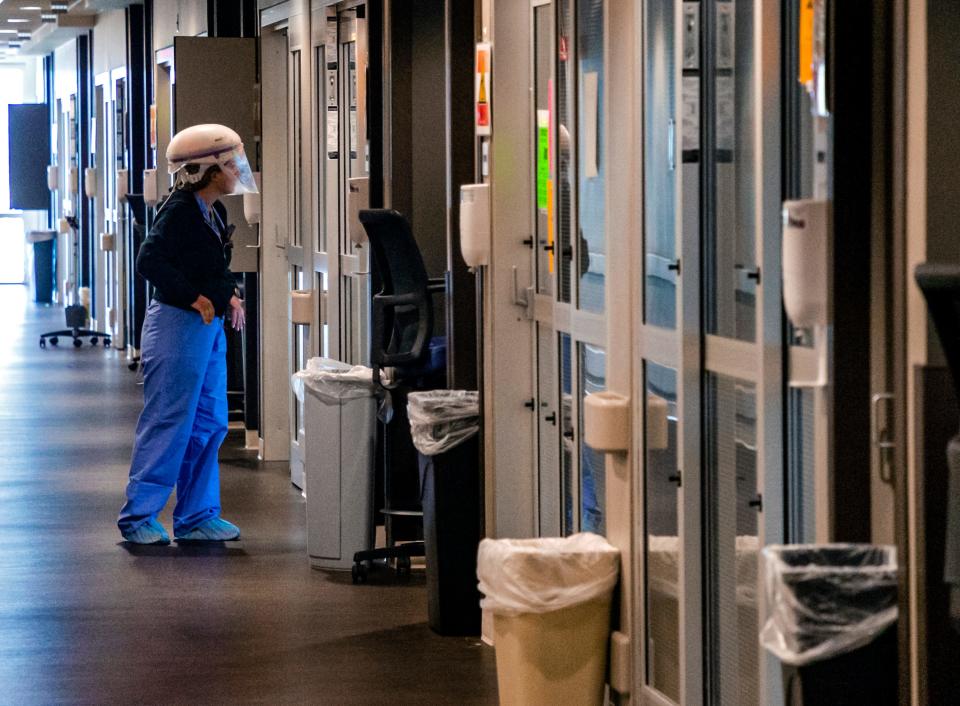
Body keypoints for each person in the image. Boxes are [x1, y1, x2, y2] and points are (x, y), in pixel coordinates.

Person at [117, 123, 258, 545]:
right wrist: (195, 298)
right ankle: (139, 516)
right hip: (178, 327)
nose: (237, 171)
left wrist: (226, 294)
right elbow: (149, 261)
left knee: (209, 423)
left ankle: (196, 516)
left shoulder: (212, 210)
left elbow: (206, 264)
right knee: (168, 423)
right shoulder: (179, 210)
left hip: (206, 329)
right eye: (231, 164)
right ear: (209, 170)